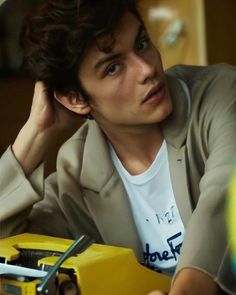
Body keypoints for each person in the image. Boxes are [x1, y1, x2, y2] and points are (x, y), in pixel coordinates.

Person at [0, 0, 236, 294]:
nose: (147, 68)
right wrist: (35, 133)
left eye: (141, 43)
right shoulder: (78, 173)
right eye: (113, 67)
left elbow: (225, 198)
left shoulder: (222, 95)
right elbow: (8, 252)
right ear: (75, 98)